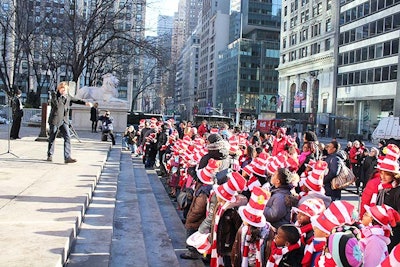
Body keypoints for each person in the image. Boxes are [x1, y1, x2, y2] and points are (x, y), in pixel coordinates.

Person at [47, 81, 92, 163]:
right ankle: (50, 155)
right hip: (55, 120)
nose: (63, 90)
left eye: (65, 89)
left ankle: (67, 157)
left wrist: (85, 103)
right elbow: (56, 105)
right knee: (52, 137)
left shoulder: (68, 97)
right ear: (59, 89)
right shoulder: (55, 96)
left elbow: (76, 100)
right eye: (62, 89)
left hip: (64, 120)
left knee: (67, 137)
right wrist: (57, 96)